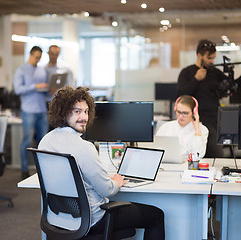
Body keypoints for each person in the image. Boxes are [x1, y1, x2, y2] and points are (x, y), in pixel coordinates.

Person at [38, 86, 165, 239]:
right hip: (91, 220)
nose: (84, 117)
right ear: (63, 113)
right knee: (155, 216)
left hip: (57, 218)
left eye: (86, 111)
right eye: (77, 111)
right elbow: (107, 191)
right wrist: (116, 182)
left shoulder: (45, 141)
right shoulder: (84, 147)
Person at [177, 39, 228, 158]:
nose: (212, 61)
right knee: (215, 154)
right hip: (198, 119)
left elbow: (228, 87)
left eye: (213, 58)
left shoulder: (215, 72)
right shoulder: (187, 73)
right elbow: (181, 96)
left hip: (216, 118)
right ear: (199, 55)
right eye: (209, 58)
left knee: (215, 154)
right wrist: (196, 80)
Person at [13, 46, 49, 179]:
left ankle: (42, 170)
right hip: (28, 110)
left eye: (40, 58)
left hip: (41, 109)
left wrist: (48, 89)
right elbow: (17, 90)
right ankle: (24, 169)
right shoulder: (21, 70)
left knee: (43, 142)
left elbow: (44, 90)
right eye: (36, 57)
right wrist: (35, 86)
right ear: (30, 55)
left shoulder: (42, 71)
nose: (38, 60)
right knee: (27, 140)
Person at [156, 95, 209, 160]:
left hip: (189, 167)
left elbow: (199, 154)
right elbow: (156, 151)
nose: (181, 116)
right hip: (167, 165)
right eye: (178, 112)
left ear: (193, 113)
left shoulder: (202, 129)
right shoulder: (165, 127)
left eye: (185, 113)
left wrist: (197, 130)